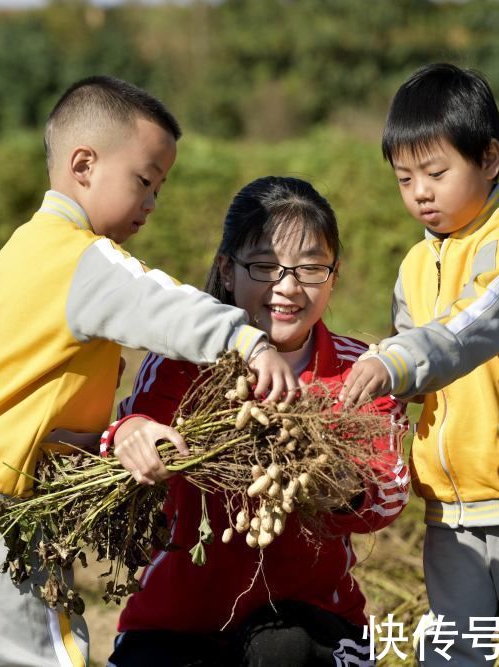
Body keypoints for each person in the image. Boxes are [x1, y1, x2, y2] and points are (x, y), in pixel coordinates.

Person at [0, 76, 298, 666]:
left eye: (159, 189)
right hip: (10, 493)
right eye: (144, 181)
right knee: (48, 656)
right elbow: (162, 301)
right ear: (84, 165)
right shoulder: (84, 260)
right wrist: (244, 340)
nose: (151, 204)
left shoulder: (1, 265)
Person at [341, 63, 499, 666]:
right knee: (453, 652)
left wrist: (392, 360)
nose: (420, 192)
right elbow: (413, 360)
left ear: (489, 158)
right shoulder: (412, 265)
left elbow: (461, 331)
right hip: (450, 509)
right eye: (404, 179)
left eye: (435, 172)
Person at [104, 176, 409, 667]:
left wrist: (341, 486)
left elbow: (390, 495)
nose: (288, 287)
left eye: (311, 269)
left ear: (335, 275)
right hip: (178, 618)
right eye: (265, 266)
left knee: (281, 648)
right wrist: (130, 436)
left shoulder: (362, 371)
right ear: (227, 269)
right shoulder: (182, 361)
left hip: (313, 621)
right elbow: (130, 428)